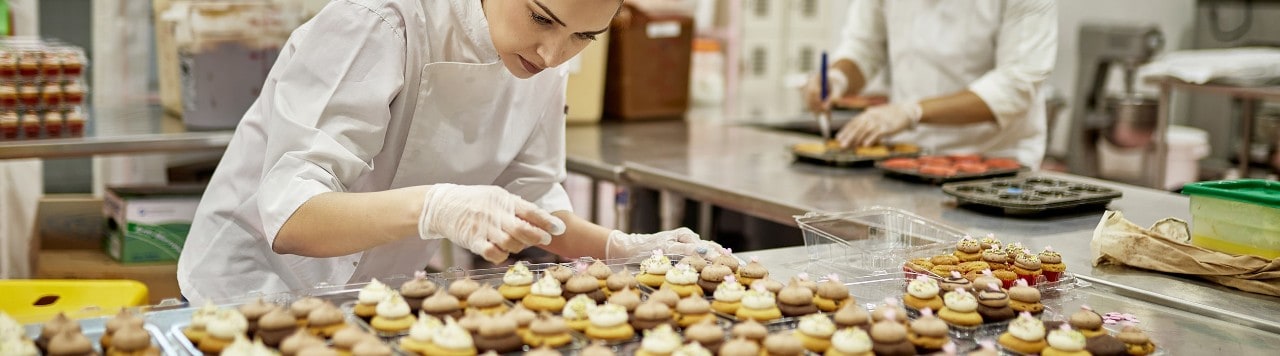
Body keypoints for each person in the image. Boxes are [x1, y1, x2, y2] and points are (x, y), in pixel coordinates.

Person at [177, 0, 718, 303]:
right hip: (246, 290)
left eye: (584, 37)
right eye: (541, 18)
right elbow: (291, 215)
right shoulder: (380, 22)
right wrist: (436, 207)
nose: (554, 54)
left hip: (370, 298)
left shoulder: (547, 59)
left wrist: (619, 248)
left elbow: (531, 193)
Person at [806, 0, 1057, 168]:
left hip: (993, 163)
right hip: (908, 159)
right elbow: (864, 46)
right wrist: (839, 77)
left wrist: (911, 112)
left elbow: (1016, 85)